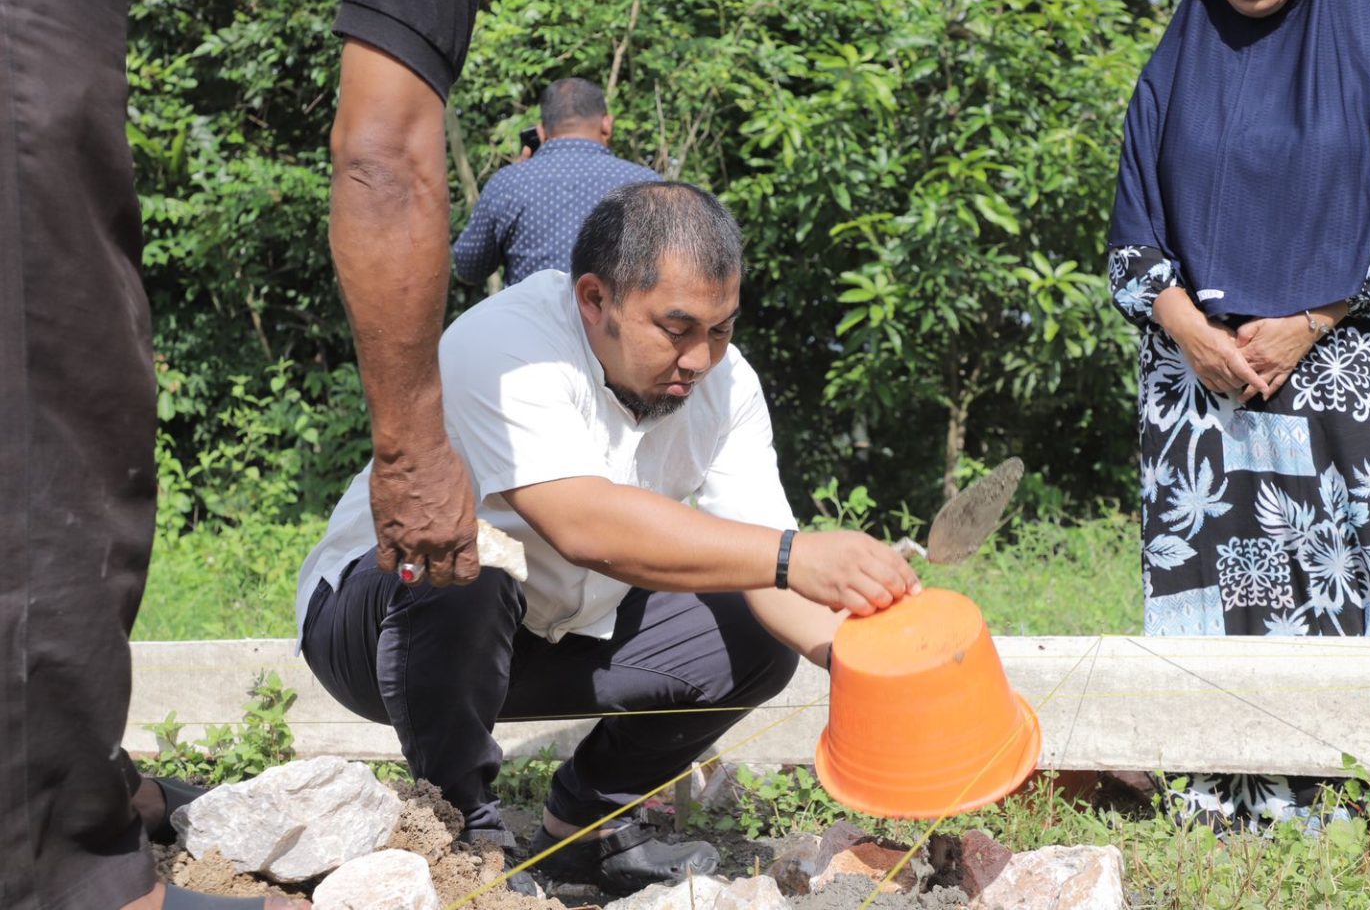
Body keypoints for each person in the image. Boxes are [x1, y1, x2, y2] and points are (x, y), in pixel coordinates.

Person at [0, 0, 646, 908]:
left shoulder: (526, 189)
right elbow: (386, 162)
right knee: (55, 389)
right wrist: (414, 449)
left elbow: (461, 244)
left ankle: (52, 791)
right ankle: (56, 873)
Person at [298, 181, 921, 893]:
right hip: (382, 624)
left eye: (722, 329)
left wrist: (862, 660)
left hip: (548, 632)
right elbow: (581, 522)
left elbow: (766, 565)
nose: (701, 358)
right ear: (595, 299)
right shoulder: (506, 346)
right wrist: (793, 554)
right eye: (677, 329)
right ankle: (466, 839)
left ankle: (581, 833)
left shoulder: (726, 386)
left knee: (755, 635)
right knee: (475, 554)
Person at [1106, 0, 1370, 823]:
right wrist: (1189, 328)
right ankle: (1219, 791)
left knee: (1340, 573)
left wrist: (1306, 322)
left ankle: (1358, 792)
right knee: (1230, 573)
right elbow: (1131, 238)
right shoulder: (1172, 72)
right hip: (1200, 386)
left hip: (1331, 379)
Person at [453, 77, 662, 287]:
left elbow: (468, 268)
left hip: (532, 319)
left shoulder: (508, 183)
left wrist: (518, 173)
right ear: (606, 124)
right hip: (617, 319)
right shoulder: (649, 187)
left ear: (541, 131)